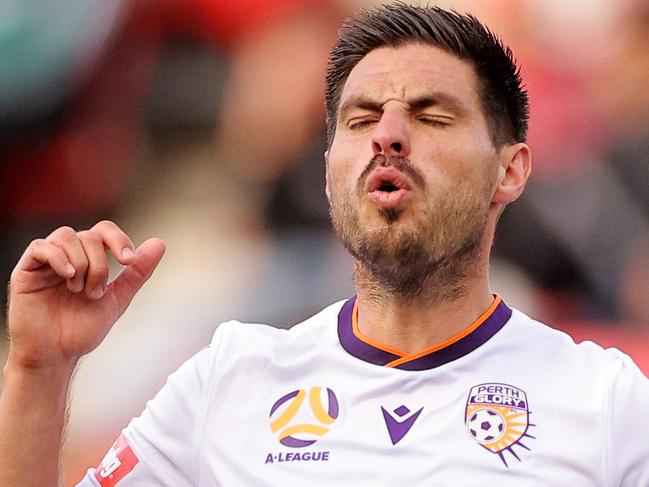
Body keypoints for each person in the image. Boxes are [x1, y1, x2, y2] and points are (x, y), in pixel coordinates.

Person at [1, 4, 648, 486]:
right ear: (328, 168)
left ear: (509, 169)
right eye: (360, 119)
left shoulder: (608, 400)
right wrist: (39, 371)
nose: (387, 136)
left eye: (431, 116)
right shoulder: (230, 376)